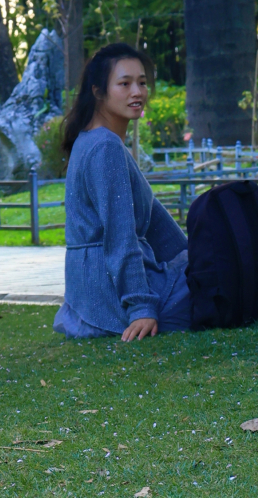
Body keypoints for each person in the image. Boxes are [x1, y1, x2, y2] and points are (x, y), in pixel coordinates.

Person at [53, 42, 190, 342]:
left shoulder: (91, 140)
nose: (137, 92)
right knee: (226, 281)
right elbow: (119, 235)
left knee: (215, 267)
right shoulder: (105, 147)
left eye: (141, 83)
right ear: (98, 92)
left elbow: (156, 223)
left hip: (91, 290)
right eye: (124, 84)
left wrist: (194, 256)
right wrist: (140, 307)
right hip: (110, 295)